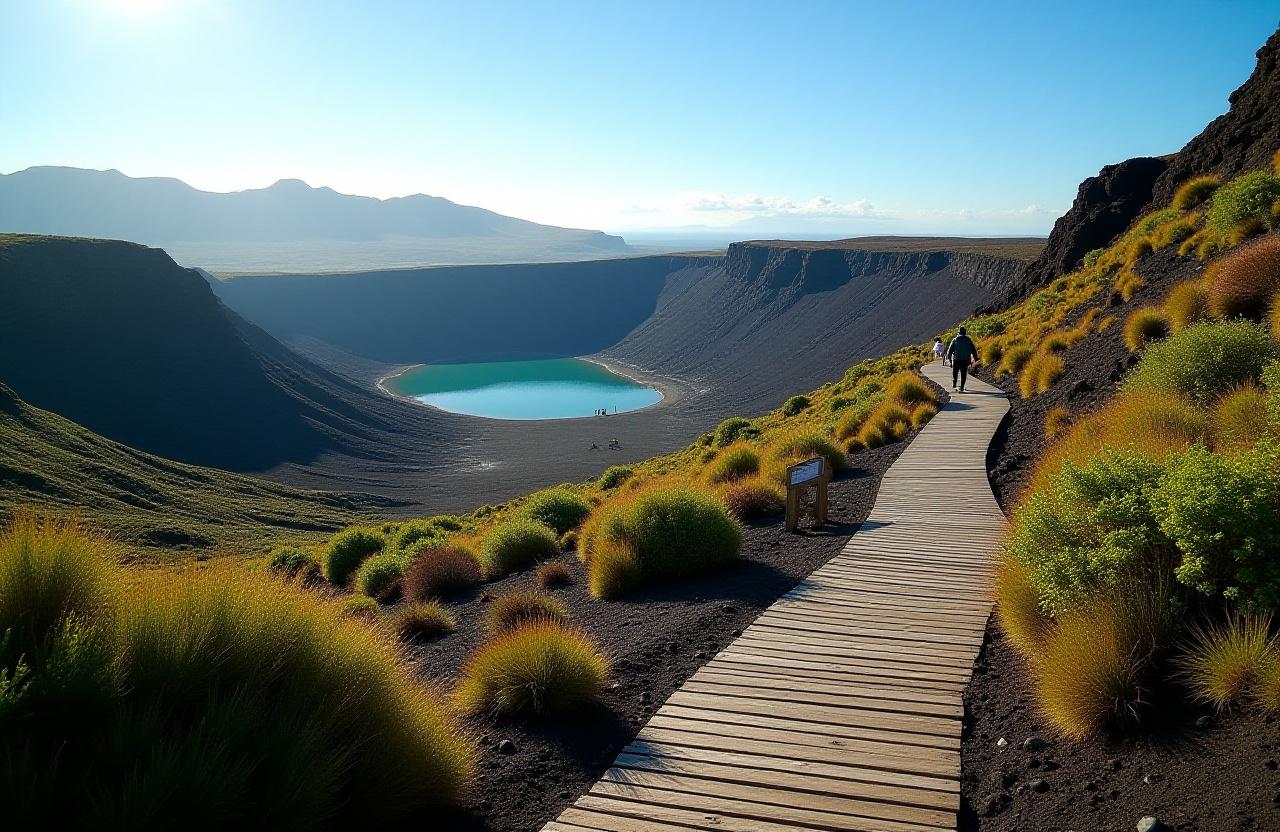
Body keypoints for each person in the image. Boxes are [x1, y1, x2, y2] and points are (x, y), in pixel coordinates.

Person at [946, 326, 978, 392]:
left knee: (955, 372)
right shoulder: (968, 340)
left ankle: (954, 383)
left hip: (956, 359)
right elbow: (973, 350)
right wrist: (975, 358)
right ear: (965, 333)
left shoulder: (955, 339)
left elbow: (949, 351)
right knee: (963, 373)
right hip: (965, 360)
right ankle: (962, 387)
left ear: (959, 333)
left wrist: (949, 360)